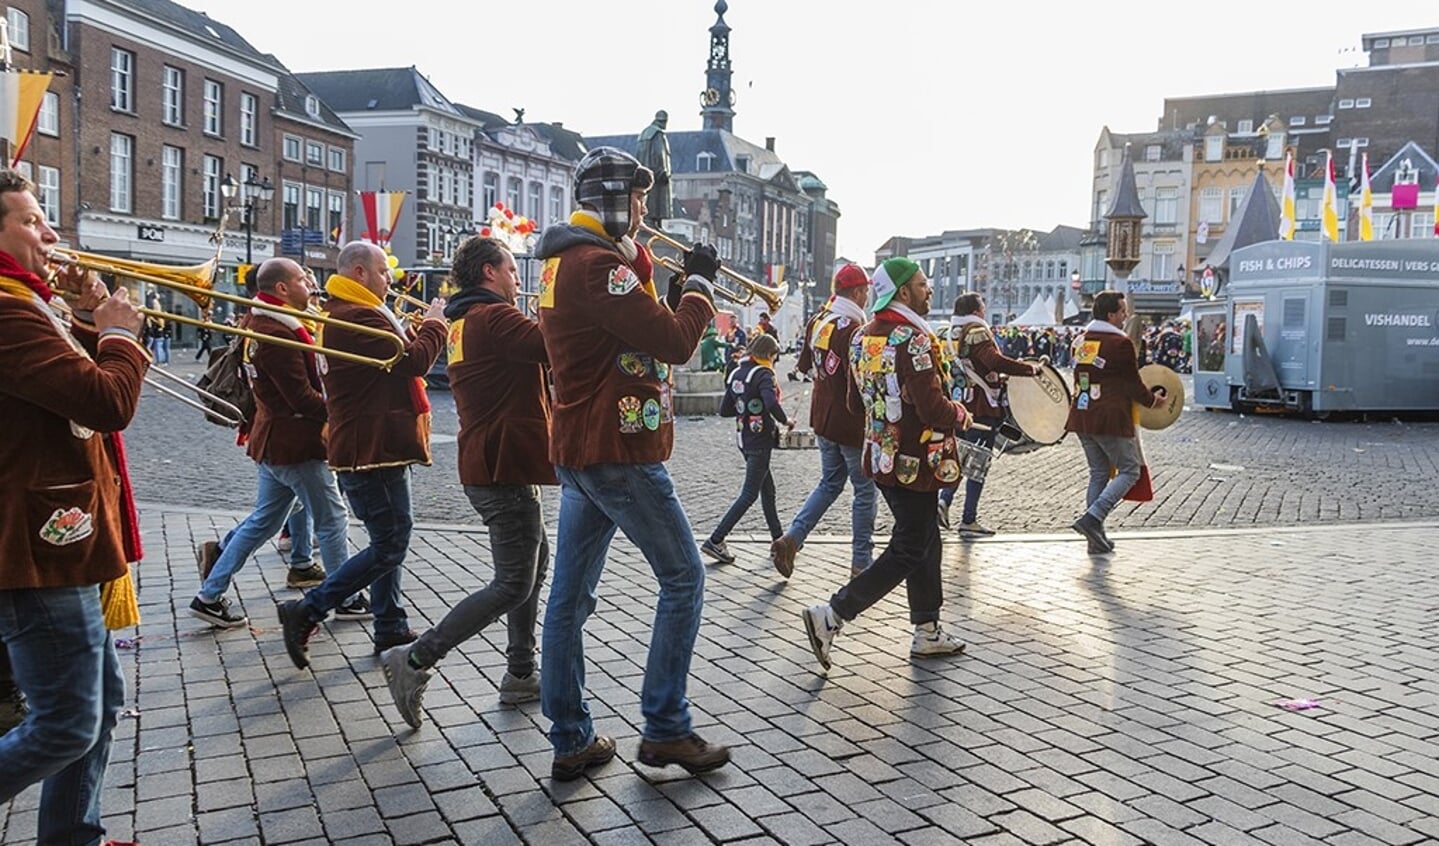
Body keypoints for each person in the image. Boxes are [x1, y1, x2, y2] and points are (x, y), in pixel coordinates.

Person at [535, 146, 729, 781]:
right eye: (640, 198)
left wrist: (667, 287)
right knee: (684, 578)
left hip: (582, 448)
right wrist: (697, 286)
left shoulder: (568, 263)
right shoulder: (598, 267)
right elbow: (673, 343)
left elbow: (629, 334)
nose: (647, 211)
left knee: (569, 598)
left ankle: (571, 738)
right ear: (616, 200)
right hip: (617, 446)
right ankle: (666, 727)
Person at [0, 168, 149, 845]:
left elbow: (74, 383)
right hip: (34, 547)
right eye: (32, 221)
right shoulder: (5, 310)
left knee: (102, 704)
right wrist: (119, 333)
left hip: (66, 536)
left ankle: (71, 836)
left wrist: (90, 319)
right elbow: (103, 402)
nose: (50, 233)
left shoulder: (28, 303)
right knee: (64, 722)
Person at [380, 236, 556, 728]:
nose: (517, 280)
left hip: (496, 461)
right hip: (503, 465)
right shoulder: (492, 318)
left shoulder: (462, 321)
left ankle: (521, 671)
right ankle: (415, 659)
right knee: (512, 582)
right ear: (487, 273)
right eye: (511, 271)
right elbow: (551, 345)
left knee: (533, 566)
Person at [277, 241, 447, 669]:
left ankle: (389, 622)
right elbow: (414, 362)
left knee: (387, 539)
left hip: (379, 444)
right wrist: (435, 325)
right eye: (383, 272)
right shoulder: (358, 317)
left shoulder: (351, 312)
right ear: (358, 273)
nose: (391, 279)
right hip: (372, 447)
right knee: (391, 544)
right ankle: (310, 608)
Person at [801, 258, 969, 672]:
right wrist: (960, 414)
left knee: (926, 538)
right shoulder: (914, 339)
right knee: (911, 545)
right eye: (922, 284)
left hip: (882, 458)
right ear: (904, 292)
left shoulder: (861, 337)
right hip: (920, 459)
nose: (929, 290)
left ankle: (927, 629)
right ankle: (834, 613)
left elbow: (854, 403)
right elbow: (932, 408)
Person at [189, 257, 369, 628]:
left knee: (263, 522)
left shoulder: (265, 322)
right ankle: (345, 597)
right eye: (304, 280)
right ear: (283, 289)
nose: (312, 286)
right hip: (294, 443)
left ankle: (209, 595)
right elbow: (301, 398)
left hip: (274, 441)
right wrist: (345, 406)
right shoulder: (278, 334)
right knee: (333, 517)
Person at [770, 263, 875, 580]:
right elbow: (862, 381)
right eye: (866, 291)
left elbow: (803, 365)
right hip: (849, 421)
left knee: (829, 483)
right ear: (857, 292)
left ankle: (791, 540)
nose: (868, 296)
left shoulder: (819, 320)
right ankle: (861, 563)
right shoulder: (855, 328)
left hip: (823, 417)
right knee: (865, 491)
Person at [1066, 290, 1167, 554]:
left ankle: (1095, 540)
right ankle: (1092, 518)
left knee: (1099, 472)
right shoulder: (1119, 344)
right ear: (1111, 315)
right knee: (1129, 471)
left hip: (1082, 414)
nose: (1125, 316)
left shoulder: (1080, 340)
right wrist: (1153, 401)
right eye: (1122, 311)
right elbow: (1132, 384)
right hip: (1109, 417)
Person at [938, 292, 1042, 537]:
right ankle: (968, 520)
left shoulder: (948, 334)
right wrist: (1029, 369)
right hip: (983, 407)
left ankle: (943, 501)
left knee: (961, 457)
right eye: (983, 306)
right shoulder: (977, 331)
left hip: (960, 402)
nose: (984, 311)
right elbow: (993, 361)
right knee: (978, 462)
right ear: (976, 310)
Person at [701, 333, 791, 564]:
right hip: (760, 440)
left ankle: (779, 540)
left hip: (744, 438)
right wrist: (786, 421)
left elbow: (725, 410)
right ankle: (716, 539)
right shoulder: (763, 373)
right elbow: (771, 403)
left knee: (768, 491)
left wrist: (747, 409)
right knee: (750, 493)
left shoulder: (737, 372)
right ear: (769, 355)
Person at [636, 109, 671, 227]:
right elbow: (659, 153)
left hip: (644, 171)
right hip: (656, 172)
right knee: (658, 197)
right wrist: (663, 171)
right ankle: (656, 222)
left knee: (647, 196)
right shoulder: (658, 134)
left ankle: (649, 220)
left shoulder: (643, 134)